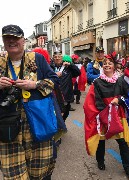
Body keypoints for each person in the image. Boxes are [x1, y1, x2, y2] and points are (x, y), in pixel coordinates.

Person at [0, 24, 59, 179]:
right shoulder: (0, 61)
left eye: (15, 38)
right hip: (8, 126)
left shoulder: (37, 58)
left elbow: (54, 81)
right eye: (7, 38)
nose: (11, 41)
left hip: (37, 122)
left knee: (39, 172)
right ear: (3, 40)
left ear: (23, 40)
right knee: (15, 175)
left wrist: (35, 84)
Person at [83, 53, 129, 179]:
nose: (107, 65)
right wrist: (104, 113)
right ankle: (100, 161)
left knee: (122, 142)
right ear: (102, 66)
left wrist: (119, 100)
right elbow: (92, 101)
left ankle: (128, 168)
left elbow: (127, 97)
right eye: (105, 63)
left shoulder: (120, 80)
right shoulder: (97, 82)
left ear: (114, 66)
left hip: (118, 116)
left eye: (109, 63)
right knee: (101, 141)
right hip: (103, 115)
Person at [51, 53, 80, 120]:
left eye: (59, 57)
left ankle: (62, 126)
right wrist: (54, 75)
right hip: (55, 95)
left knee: (65, 114)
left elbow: (78, 73)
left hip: (66, 95)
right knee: (55, 114)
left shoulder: (67, 67)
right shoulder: (50, 67)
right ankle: (57, 127)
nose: (57, 58)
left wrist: (71, 65)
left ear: (62, 58)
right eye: (55, 57)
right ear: (53, 59)